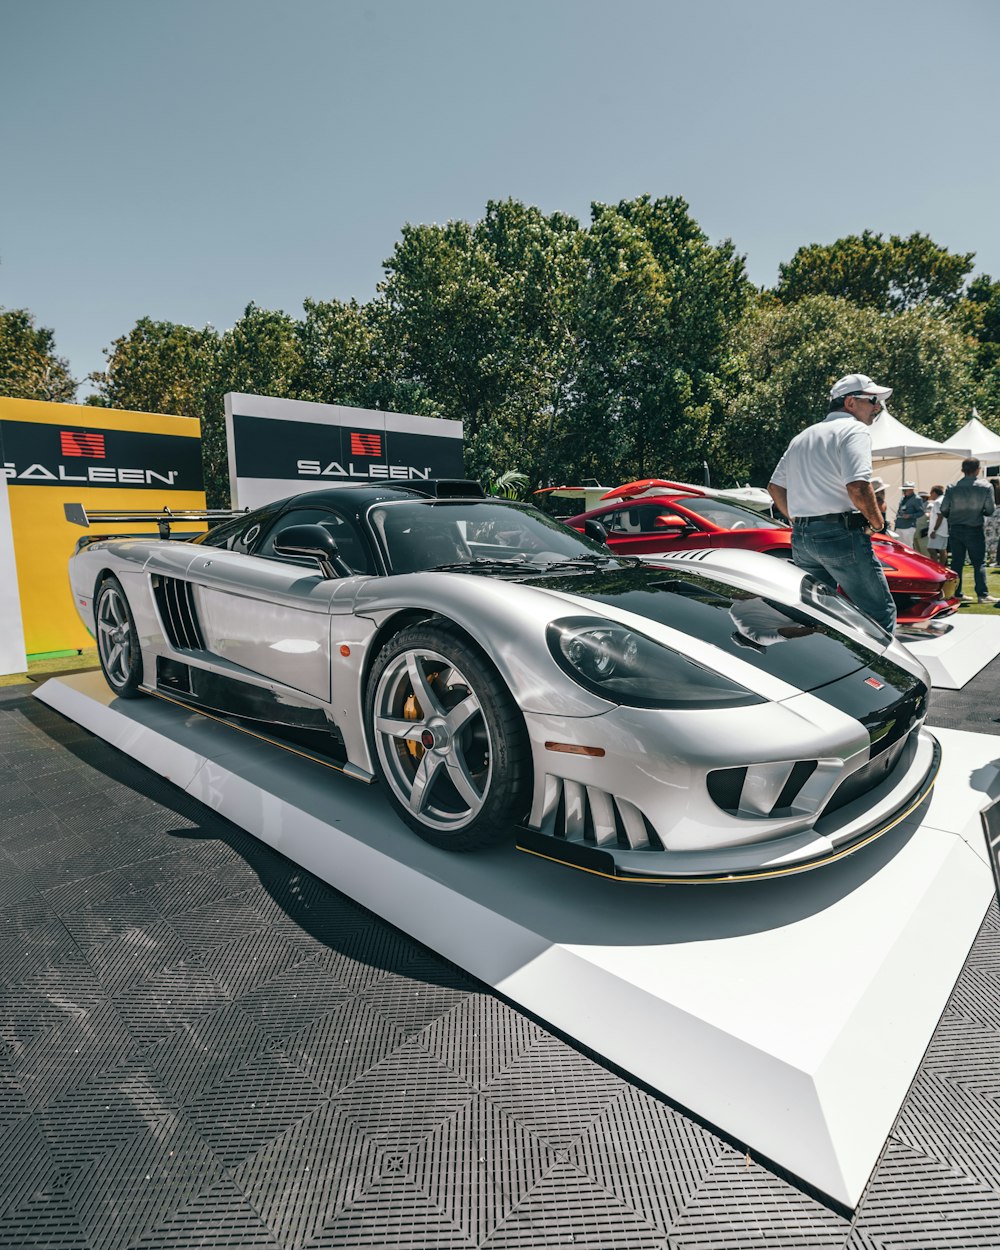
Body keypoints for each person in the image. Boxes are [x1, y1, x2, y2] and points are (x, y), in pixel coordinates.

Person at [768, 372, 896, 632]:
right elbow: (858, 486)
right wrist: (878, 523)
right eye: (872, 400)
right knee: (879, 613)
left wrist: (797, 518)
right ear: (850, 402)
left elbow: (775, 487)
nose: (878, 407)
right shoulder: (854, 430)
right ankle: (883, 672)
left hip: (803, 536)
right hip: (840, 535)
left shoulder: (802, 437)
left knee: (817, 613)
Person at [932, 458, 996, 603]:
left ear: (962, 470)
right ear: (978, 469)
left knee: (956, 562)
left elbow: (944, 509)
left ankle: (957, 593)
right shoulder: (985, 487)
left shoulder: (952, 487)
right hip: (974, 528)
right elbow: (990, 510)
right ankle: (982, 594)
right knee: (978, 563)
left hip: (956, 528)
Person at [894, 482, 925, 548]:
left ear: (911, 490)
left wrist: (910, 516)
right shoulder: (903, 498)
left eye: (906, 490)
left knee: (908, 546)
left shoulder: (917, 499)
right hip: (899, 525)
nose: (904, 492)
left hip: (908, 526)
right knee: (899, 546)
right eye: (903, 490)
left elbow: (921, 512)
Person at [925, 485, 949, 565]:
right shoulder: (944, 500)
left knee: (931, 549)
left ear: (934, 493)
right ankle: (941, 566)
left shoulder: (938, 502)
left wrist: (934, 530)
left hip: (938, 530)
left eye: (931, 493)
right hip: (943, 530)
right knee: (942, 549)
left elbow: (940, 516)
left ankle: (937, 566)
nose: (930, 495)